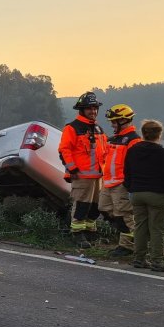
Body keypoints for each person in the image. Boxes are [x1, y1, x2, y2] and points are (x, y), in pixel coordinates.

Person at [124, 120, 164, 272]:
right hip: (157, 196)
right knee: (157, 229)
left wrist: (131, 189)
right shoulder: (162, 153)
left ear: (143, 133)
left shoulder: (133, 150)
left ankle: (139, 259)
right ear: (159, 134)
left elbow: (127, 172)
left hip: (137, 194)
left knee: (140, 227)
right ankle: (157, 261)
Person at [57, 91, 108, 248]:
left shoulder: (99, 129)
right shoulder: (72, 128)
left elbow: (105, 150)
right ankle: (77, 234)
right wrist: (73, 169)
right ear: (82, 109)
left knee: (95, 207)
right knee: (81, 205)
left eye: (95, 108)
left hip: (98, 176)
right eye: (89, 108)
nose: (93, 111)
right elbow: (64, 150)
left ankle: (90, 232)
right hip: (81, 176)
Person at [99, 104, 141, 258]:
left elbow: (135, 165)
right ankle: (130, 237)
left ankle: (128, 246)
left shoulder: (133, 140)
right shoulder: (113, 139)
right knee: (103, 208)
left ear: (124, 120)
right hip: (108, 183)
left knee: (124, 215)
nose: (112, 124)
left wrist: (130, 186)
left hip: (121, 185)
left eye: (114, 121)